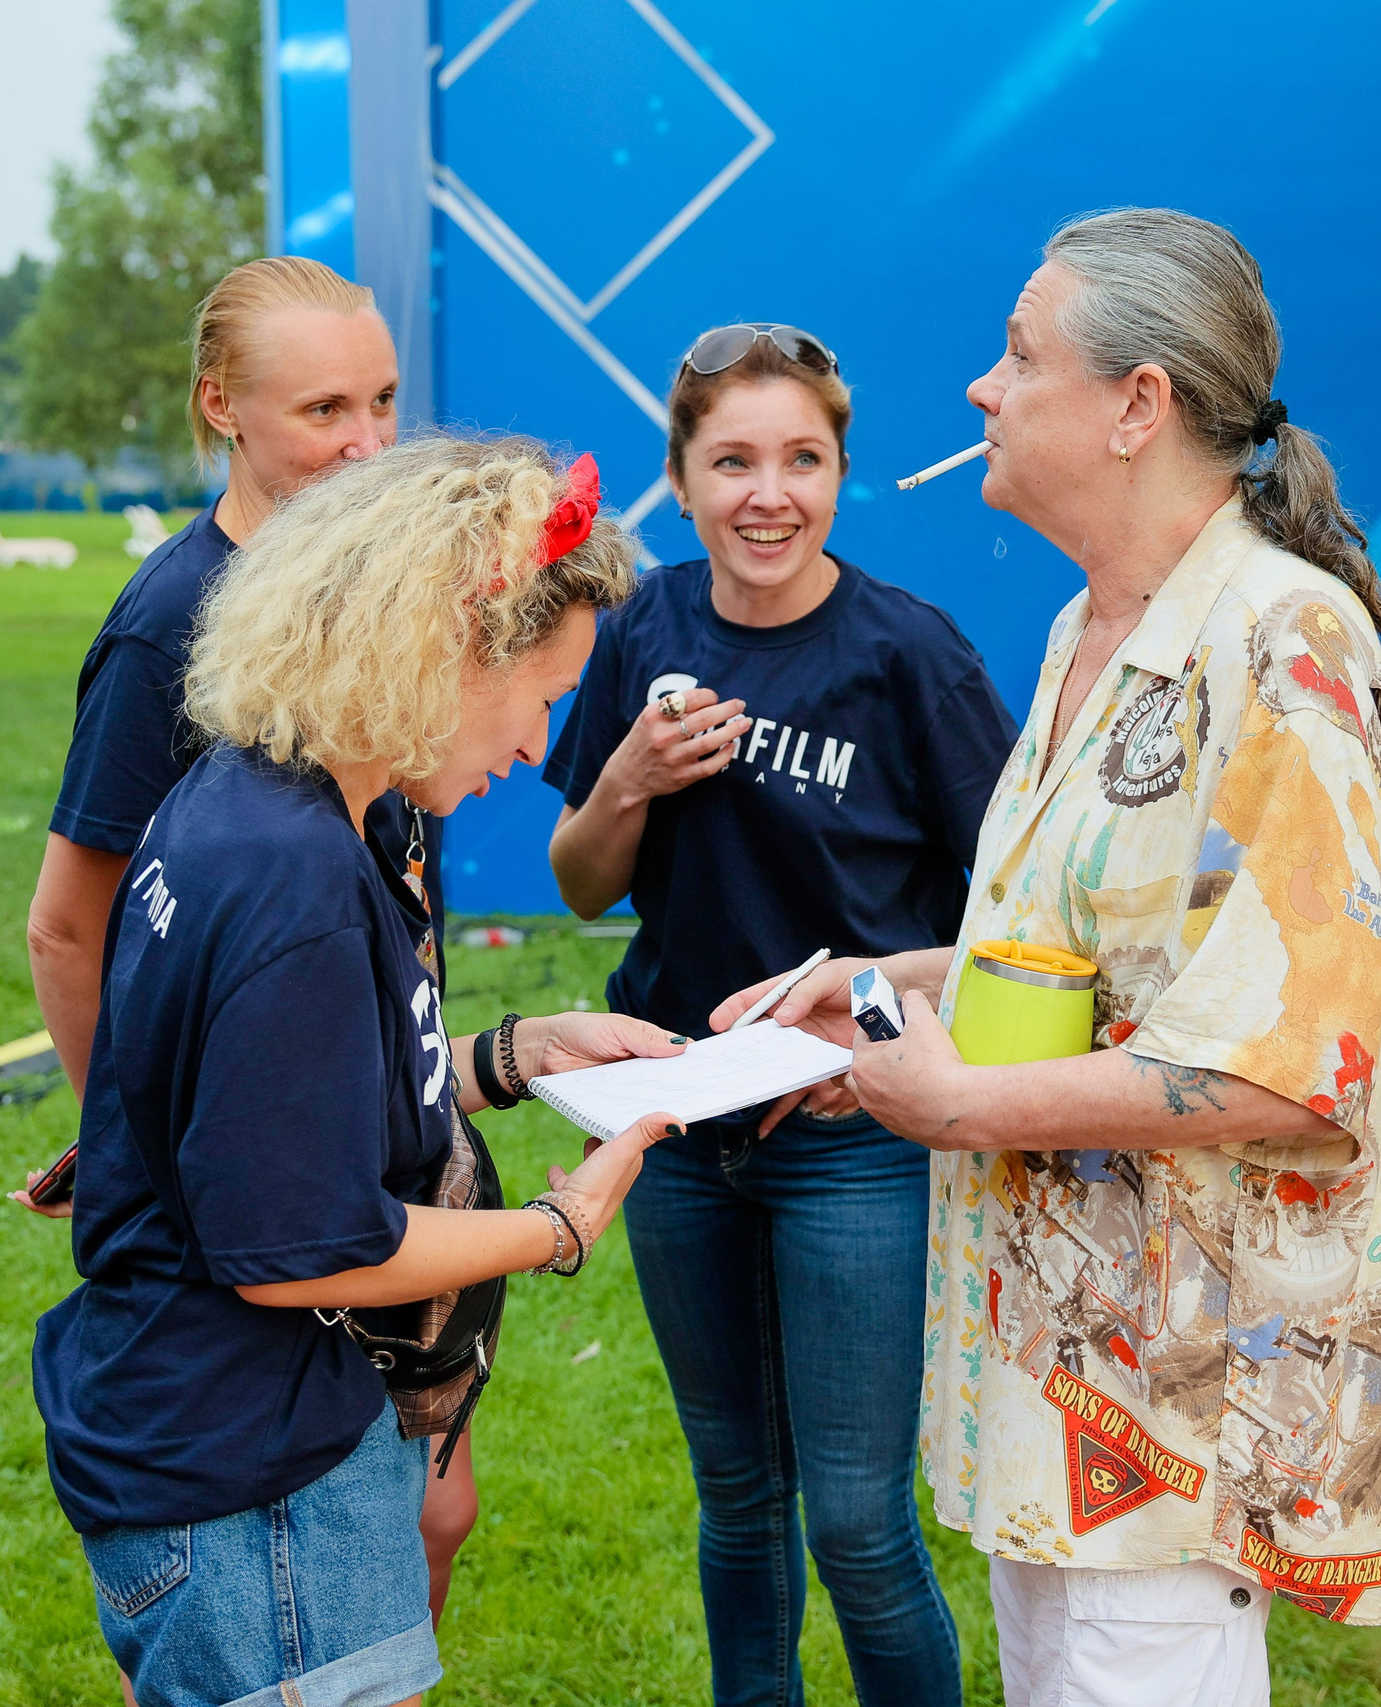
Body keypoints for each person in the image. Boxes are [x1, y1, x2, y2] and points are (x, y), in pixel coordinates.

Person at [718, 209, 1381, 1707]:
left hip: (1178, 1405)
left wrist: (956, 1104)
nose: (982, 387)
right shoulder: (1084, 630)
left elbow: (1299, 1066)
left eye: (1019, 355)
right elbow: (1083, 960)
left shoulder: (1284, 642)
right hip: (1049, 1376)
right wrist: (882, 990)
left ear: (1136, 405)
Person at [34, 435, 678, 1707]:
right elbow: (303, 1251)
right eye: (541, 694)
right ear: (443, 648)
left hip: (207, 1443)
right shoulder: (302, 880)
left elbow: (292, 1099)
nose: (537, 743)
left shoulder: (256, 798)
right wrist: (558, 1224)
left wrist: (519, 1053)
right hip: (252, 1484)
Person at [543, 323, 1017, 1707]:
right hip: (676, 1123)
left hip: (851, 1133)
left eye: (802, 459)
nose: (769, 494)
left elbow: (1017, 931)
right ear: (682, 479)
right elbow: (581, 883)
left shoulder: (909, 655)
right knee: (738, 1497)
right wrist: (627, 778)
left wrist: (865, 1004)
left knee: (858, 1524)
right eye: (733, 461)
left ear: (840, 474)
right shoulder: (646, 628)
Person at [16, 255, 478, 1627]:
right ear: (221, 404)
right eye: (323, 408)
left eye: (383, 400)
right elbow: (71, 924)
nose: (367, 442)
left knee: (427, 1511)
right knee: (274, 1558)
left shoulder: (381, 584)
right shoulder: (172, 625)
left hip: (386, 1167)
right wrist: (141, 1153)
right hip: (275, 1217)